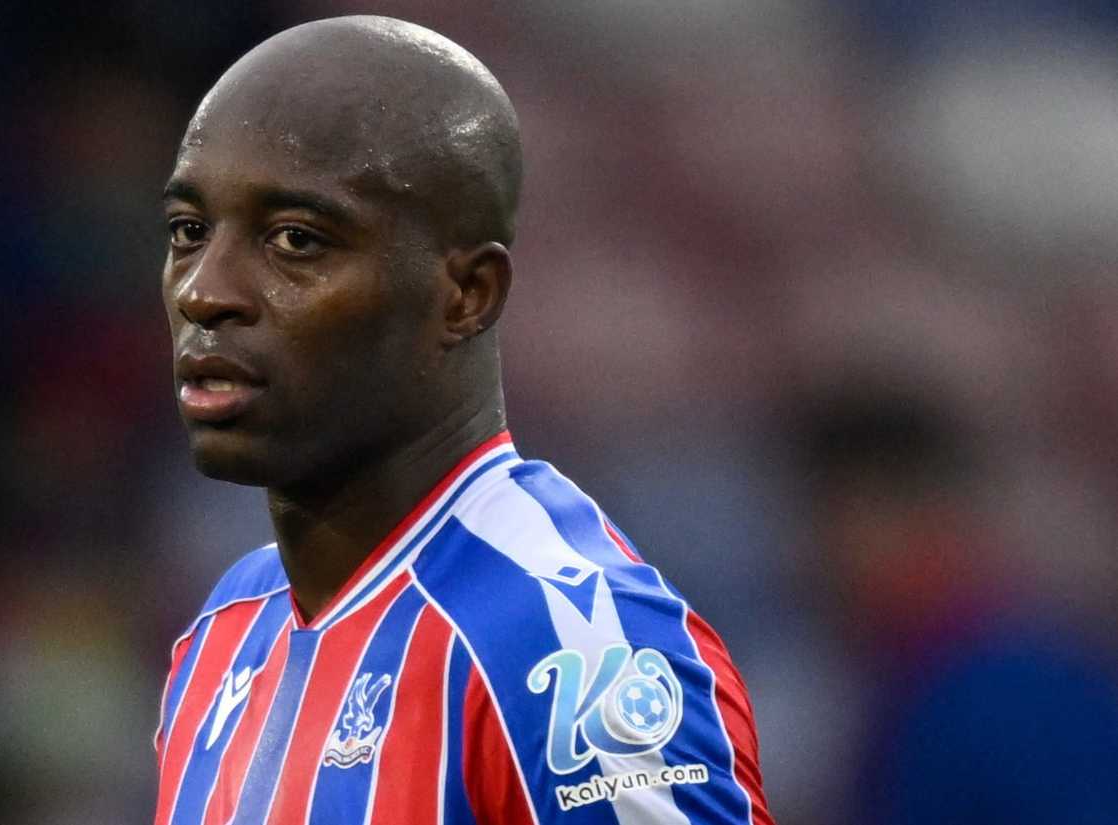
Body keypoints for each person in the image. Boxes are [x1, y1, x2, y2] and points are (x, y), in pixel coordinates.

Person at [152, 16, 773, 825]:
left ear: (467, 294)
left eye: (295, 239)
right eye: (188, 232)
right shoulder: (227, 630)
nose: (205, 290)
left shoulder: (573, 646)